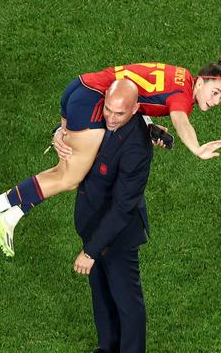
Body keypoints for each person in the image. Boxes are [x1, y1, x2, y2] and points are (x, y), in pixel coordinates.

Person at [0, 58, 221, 257]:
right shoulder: (183, 97)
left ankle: (12, 215)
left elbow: (137, 95)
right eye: (215, 92)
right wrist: (196, 148)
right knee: (70, 177)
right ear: (200, 82)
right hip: (94, 100)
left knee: (74, 167)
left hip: (81, 88)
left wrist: (148, 126)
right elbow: (179, 119)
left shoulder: (180, 76)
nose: (217, 100)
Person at [72, 79, 153, 353]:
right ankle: (106, 348)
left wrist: (90, 251)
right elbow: (78, 132)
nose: (111, 118)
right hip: (92, 224)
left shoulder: (137, 147)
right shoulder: (99, 115)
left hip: (118, 236)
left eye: (120, 113)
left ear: (135, 110)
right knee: (101, 293)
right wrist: (60, 135)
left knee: (127, 302)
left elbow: (122, 208)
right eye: (108, 109)